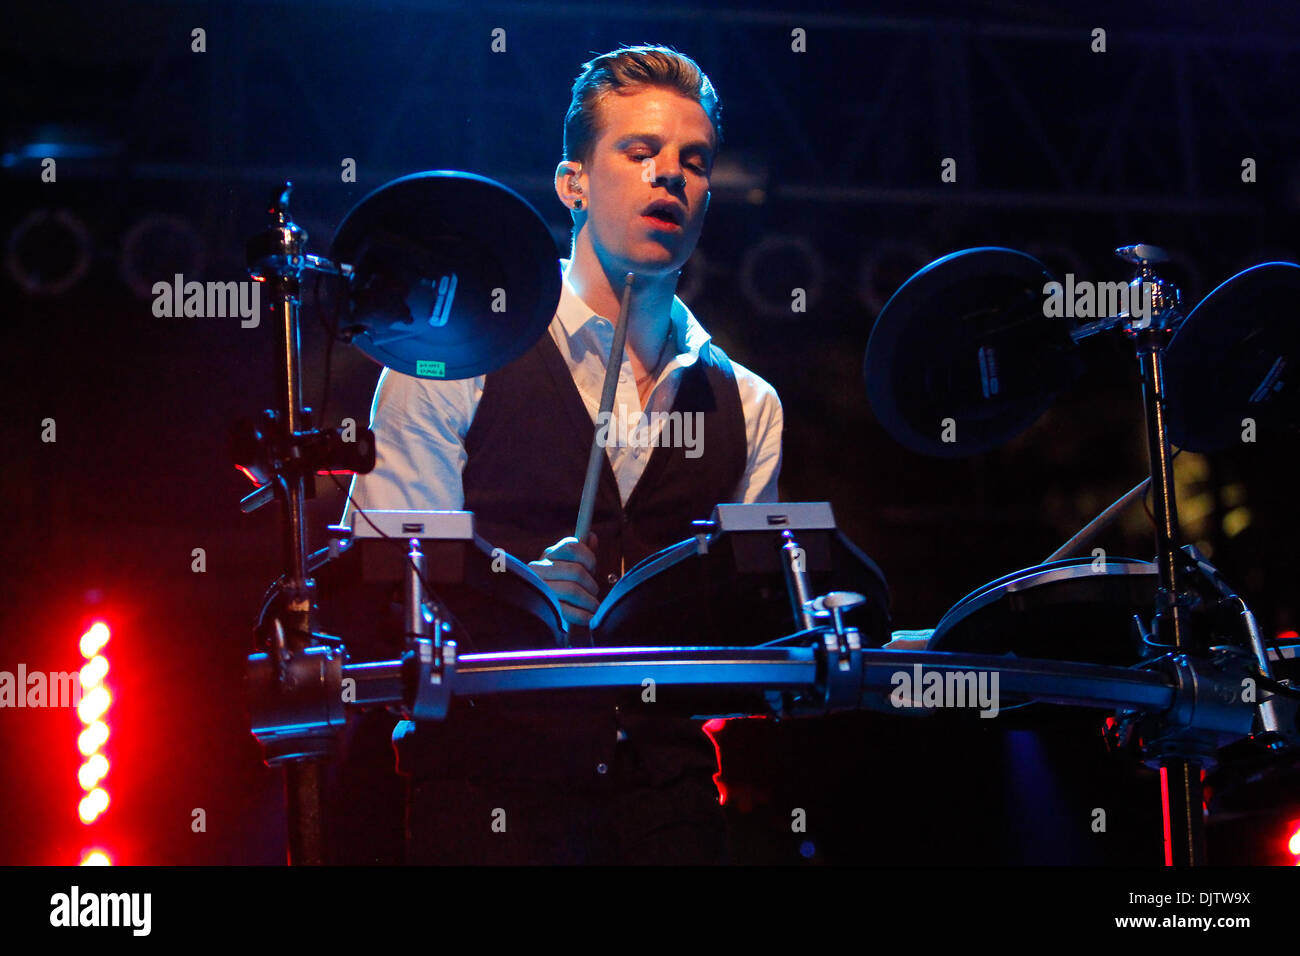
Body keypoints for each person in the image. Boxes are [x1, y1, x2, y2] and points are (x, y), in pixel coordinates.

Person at [343, 44, 783, 864]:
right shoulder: (458, 354)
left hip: (672, 810)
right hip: (490, 801)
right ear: (572, 182)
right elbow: (380, 593)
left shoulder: (748, 404)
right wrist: (516, 599)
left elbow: (747, 633)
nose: (669, 177)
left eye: (693, 161)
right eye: (639, 152)